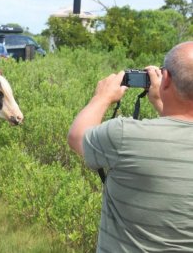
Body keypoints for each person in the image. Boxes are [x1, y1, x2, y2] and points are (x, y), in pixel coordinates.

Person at [67, 41, 193, 252]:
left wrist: (103, 96)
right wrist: (161, 101)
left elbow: (77, 136)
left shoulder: (125, 135)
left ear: (166, 79)